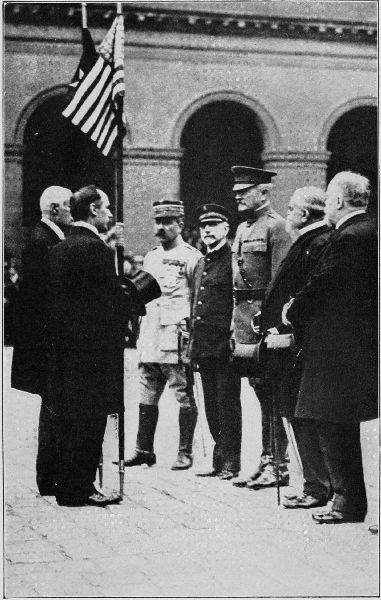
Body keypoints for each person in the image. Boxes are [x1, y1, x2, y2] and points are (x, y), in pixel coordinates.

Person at [284, 171, 378, 524]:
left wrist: (292, 309)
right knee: (340, 422)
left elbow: (323, 283)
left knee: (332, 422)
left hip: (337, 346)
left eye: (329, 197)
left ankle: (346, 502)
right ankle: (347, 501)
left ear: (338, 201)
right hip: (359, 343)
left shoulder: (348, 237)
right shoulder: (372, 231)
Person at [48, 185, 133, 507]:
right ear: (94, 210)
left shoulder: (60, 247)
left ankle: (66, 486)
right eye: (107, 209)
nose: (110, 214)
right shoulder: (96, 250)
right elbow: (108, 304)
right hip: (93, 354)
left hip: (64, 351)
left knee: (68, 418)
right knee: (90, 419)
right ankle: (82, 488)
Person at [259, 187, 332, 507]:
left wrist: (285, 329)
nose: (287, 214)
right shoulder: (309, 241)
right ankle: (317, 483)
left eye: (290, 209)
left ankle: (316, 487)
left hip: (298, 344)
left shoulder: (315, 244)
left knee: (302, 413)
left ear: (304, 214)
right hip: (291, 340)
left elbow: (309, 295)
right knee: (296, 410)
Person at [123, 194, 202, 470]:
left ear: (180, 223)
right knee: (146, 392)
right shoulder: (151, 257)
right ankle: (144, 449)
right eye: (157, 222)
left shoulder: (192, 258)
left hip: (175, 337)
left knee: (182, 393)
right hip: (151, 335)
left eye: (167, 222)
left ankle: (184, 452)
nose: (160, 228)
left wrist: (193, 337)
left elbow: (196, 301)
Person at [230, 166, 292, 490]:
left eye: (245, 190)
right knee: (258, 391)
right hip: (243, 323)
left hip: (263, 324)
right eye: (237, 190)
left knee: (272, 391)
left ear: (264, 192)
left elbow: (280, 283)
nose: (238, 194)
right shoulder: (242, 229)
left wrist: (272, 327)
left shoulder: (276, 227)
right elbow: (236, 282)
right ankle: (267, 459)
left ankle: (279, 465)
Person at [11, 186, 72, 496]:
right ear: (54, 209)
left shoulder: (43, 237)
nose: (72, 211)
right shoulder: (43, 241)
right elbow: (46, 296)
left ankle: (50, 475)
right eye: (69, 205)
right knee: (53, 406)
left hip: (43, 340)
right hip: (47, 342)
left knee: (52, 406)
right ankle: (50, 477)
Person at [189, 204, 242, 480]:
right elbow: (195, 304)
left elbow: (237, 301)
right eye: (203, 226)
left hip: (225, 344)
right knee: (210, 404)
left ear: (226, 229)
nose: (207, 230)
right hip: (204, 345)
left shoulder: (233, 259)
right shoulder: (201, 262)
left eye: (214, 225)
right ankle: (218, 459)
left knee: (227, 403)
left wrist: (235, 334)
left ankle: (231, 462)